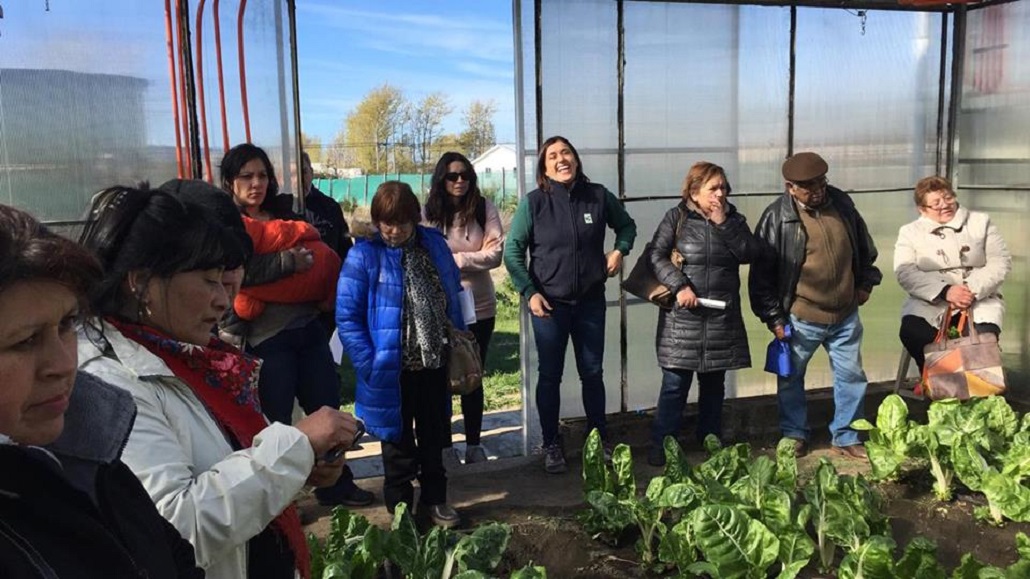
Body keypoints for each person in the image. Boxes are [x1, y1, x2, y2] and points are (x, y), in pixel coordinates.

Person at [76, 185, 359, 579]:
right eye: (210, 281)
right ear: (140, 283)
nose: (224, 301)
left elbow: (223, 471)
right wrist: (295, 450)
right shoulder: (116, 384)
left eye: (227, 280)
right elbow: (179, 527)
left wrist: (299, 470)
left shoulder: (191, 359)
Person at [0, 204, 204, 579]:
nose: (62, 364)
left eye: (66, 324)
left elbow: (175, 557)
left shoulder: (93, 454)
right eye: (26, 341)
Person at [219, 143, 373, 509]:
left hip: (307, 329)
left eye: (262, 175)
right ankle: (282, 502)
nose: (256, 183)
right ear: (230, 182)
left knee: (327, 407)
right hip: (264, 338)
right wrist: (288, 263)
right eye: (246, 176)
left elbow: (320, 254)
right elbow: (235, 273)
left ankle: (335, 485)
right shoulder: (226, 224)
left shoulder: (285, 213)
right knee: (275, 421)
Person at [503, 135, 637, 474]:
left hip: (590, 302)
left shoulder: (598, 196)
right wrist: (529, 292)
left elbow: (627, 226)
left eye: (566, 153)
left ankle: (599, 439)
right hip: (549, 306)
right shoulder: (533, 203)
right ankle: (551, 443)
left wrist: (619, 250)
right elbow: (513, 253)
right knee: (550, 376)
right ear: (544, 168)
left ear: (576, 159)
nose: (561, 159)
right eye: (552, 156)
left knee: (593, 373)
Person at [336, 181, 466, 528]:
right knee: (396, 444)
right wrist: (368, 363)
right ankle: (401, 512)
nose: (394, 231)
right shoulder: (363, 256)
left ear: (415, 218)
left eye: (402, 223)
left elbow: (453, 291)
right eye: (386, 223)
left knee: (435, 437)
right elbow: (347, 317)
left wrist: (457, 337)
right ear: (377, 221)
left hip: (433, 363)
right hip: (390, 370)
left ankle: (436, 501)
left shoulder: (434, 246)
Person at [748, 152, 882, 460]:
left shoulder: (842, 204)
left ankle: (846, 436)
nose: (818, 190)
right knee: (791, 377)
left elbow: (864, 247)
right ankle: (794, 433)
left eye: (821, 182)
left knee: (851, 375)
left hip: (845, 313)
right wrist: (774, 318)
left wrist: (864, 284)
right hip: (801, 315)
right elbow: (762, 276)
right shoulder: (776, 218)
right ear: (790, 187)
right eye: (808, 186)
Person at [646, 162, 761, 466]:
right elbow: (656, 255)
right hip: (682, 318)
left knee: (714, 385)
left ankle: (710, 440)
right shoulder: (677, 218)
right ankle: (662, 447)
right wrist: (679, 285)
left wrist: (723, 222)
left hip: (721, 316)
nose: (720, 193)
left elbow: (749, 253)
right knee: (675, 385)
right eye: (713, 188)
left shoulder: (734, 220)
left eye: (723, 187)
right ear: (694, 192)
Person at [422, 152, 505, 465]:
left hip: (480, 306)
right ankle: (444, 445)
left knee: (473, 373)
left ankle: (474, 443)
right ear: (441, 179)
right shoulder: (427, 212)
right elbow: (423, 254)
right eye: (452, 176)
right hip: (439, 306)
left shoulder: (484, 209)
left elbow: (495, 254)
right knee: (440, 374)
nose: (459, 181)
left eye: (465, 175)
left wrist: (452, 261)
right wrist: (472, 258)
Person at [894, 176, 1011, 374]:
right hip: (932, 301)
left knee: (981, 340)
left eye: (948, 198)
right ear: (922, 209)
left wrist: (970, 291)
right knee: (914, 333)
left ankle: (978, 391)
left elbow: (1000, 262)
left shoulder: (981, 222)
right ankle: (940, 385)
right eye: (936, 203)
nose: (945, 206)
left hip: (978, 298)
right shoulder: (909, 232)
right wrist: (945, 291)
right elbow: (905, 272)